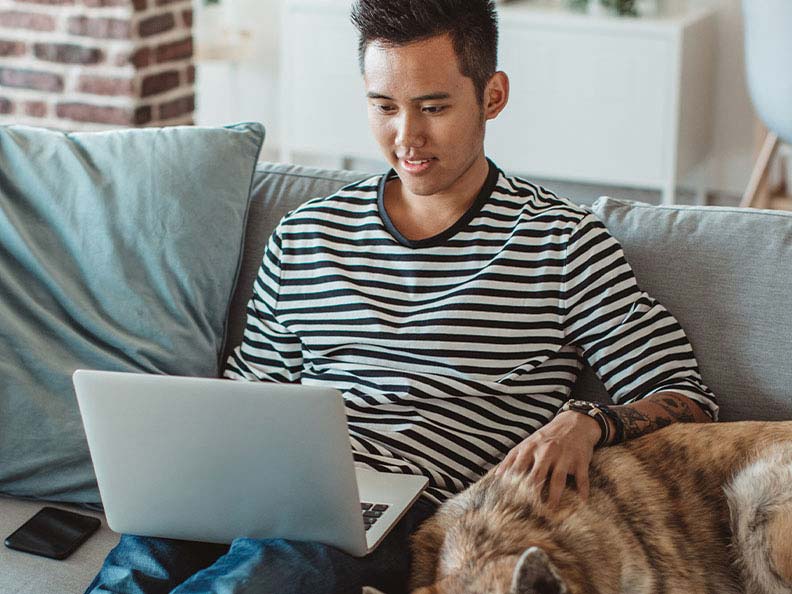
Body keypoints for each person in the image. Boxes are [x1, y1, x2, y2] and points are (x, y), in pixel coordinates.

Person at [86, 1, 718, 593]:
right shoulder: (306, 234)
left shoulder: (562, 243)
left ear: (492, 95)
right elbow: (249, 398)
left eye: (433, 107)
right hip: (272, 485)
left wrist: (588, 420)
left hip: (411, 516)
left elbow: (689, 398)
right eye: (383, 106)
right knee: (142, 557)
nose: (406, 136)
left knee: (262, 575)